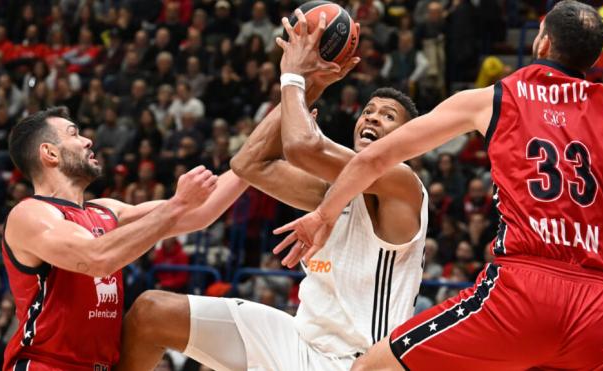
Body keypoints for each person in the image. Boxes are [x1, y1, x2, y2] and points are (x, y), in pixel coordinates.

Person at [275, 1, 603, 369]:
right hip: (597, 307)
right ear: (594, 58)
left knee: (369, 367)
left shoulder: (496, 98)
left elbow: (375, 158)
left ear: (543, 42)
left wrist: (324, 215)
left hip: (524, 291)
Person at [115, 10, 428, 371]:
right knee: (151, 312)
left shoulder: (403, 184)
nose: (372, 117)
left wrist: (294, 75)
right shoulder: (333, 191)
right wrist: (314, 84)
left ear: (409, 142)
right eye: (369, 111)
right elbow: (248, 164)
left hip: (353, 362)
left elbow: (301, 147)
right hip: (299, 340)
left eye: (388, 116)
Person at [1, 107, 248, 370]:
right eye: (74, 134)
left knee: (152, 309)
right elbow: (97, 258)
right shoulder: (30, 213)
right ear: (50, 153)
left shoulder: (107, 210)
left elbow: (198, 212)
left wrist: (258, 153)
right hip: (45, 365)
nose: (88, 140)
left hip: (103, 365)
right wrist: (176, 204)